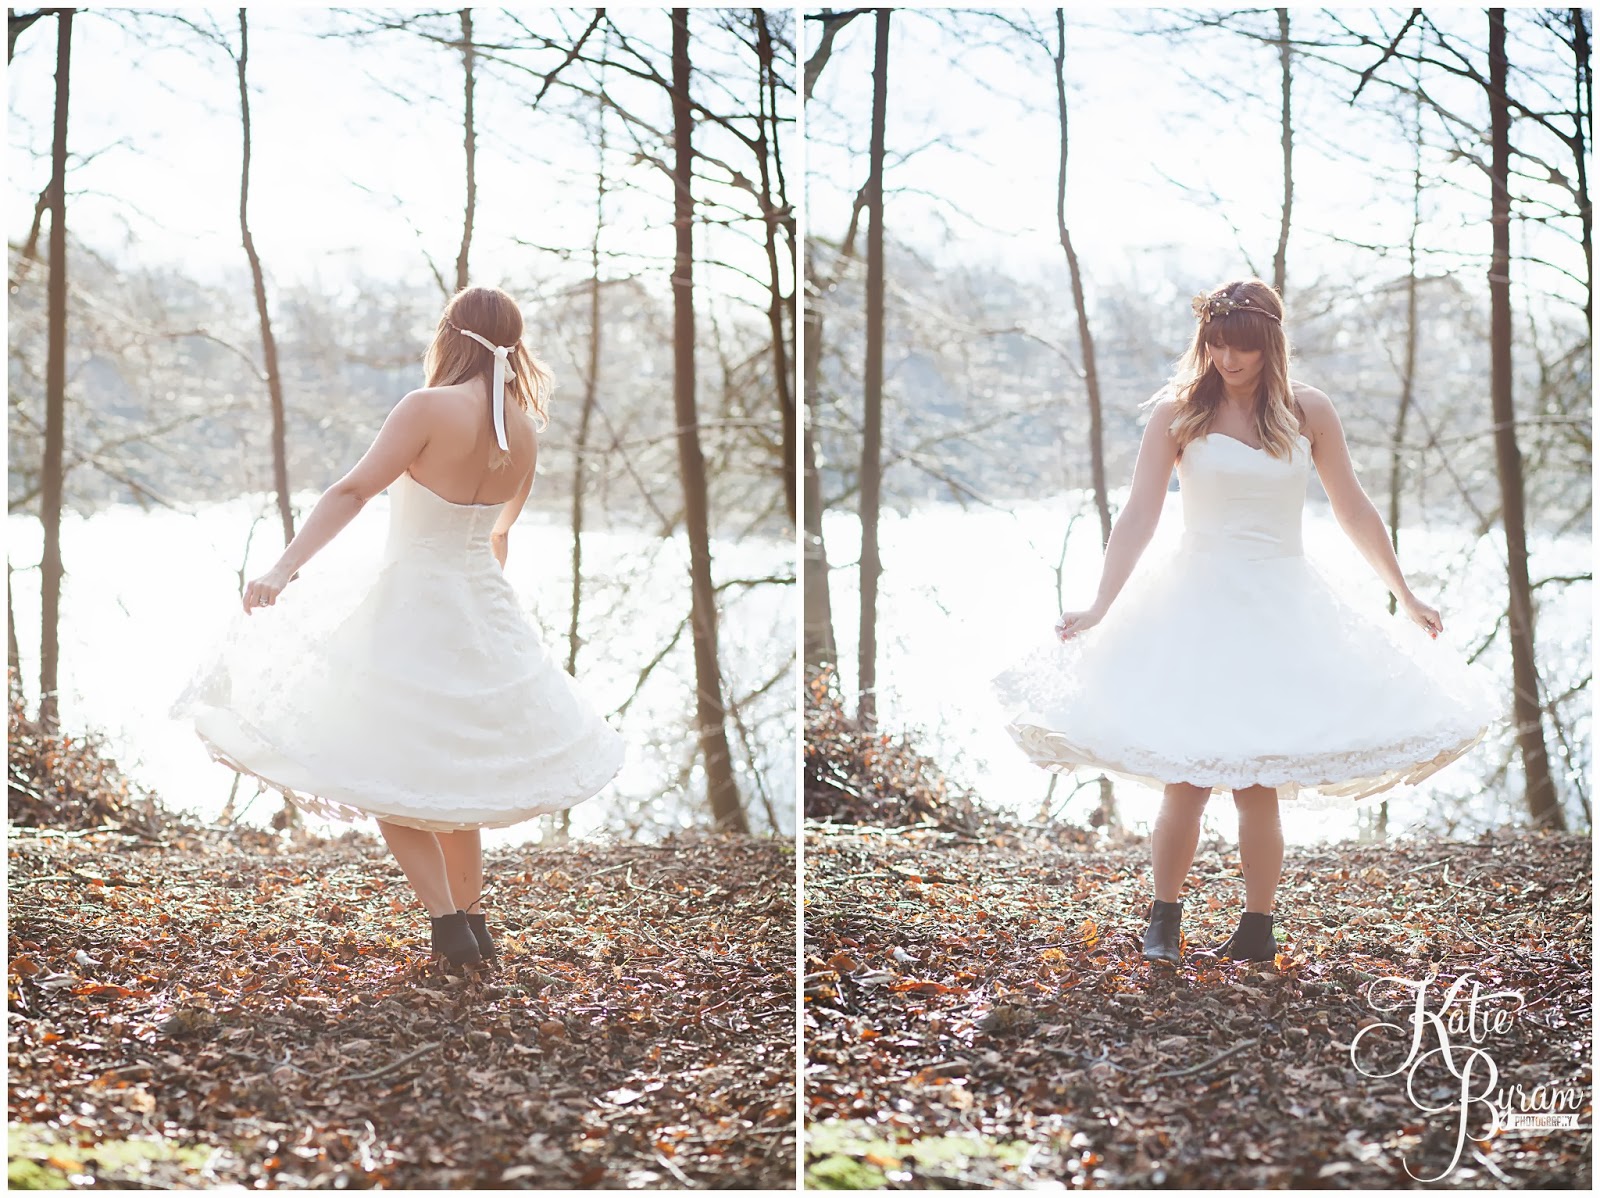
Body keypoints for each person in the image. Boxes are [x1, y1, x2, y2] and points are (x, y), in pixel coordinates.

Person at [993, 278, 1497, 967]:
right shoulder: (1178, 412)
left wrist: (1404, 593)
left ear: (1271, 346)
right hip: (1195, 604)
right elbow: (1139, 514)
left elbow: (1352, 508)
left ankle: (1258, 927)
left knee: (1259, 780)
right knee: (1188, 774)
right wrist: (1101, 603)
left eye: (1243, 348)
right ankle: (1163, 919)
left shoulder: (1306, 410)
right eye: (1218, 345)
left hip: (1279, 607)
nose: (1229, 360)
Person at [173, 285, 625, 968]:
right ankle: (475, 924)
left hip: (413, 607)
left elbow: (353, 490)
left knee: (388, 773)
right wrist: (488, 620)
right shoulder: (524, 431)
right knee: (454, 785)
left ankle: (449, 927)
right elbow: (499, 539)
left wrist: (283, 569)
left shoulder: (426, 408)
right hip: (482, 612)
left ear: (451, 334)